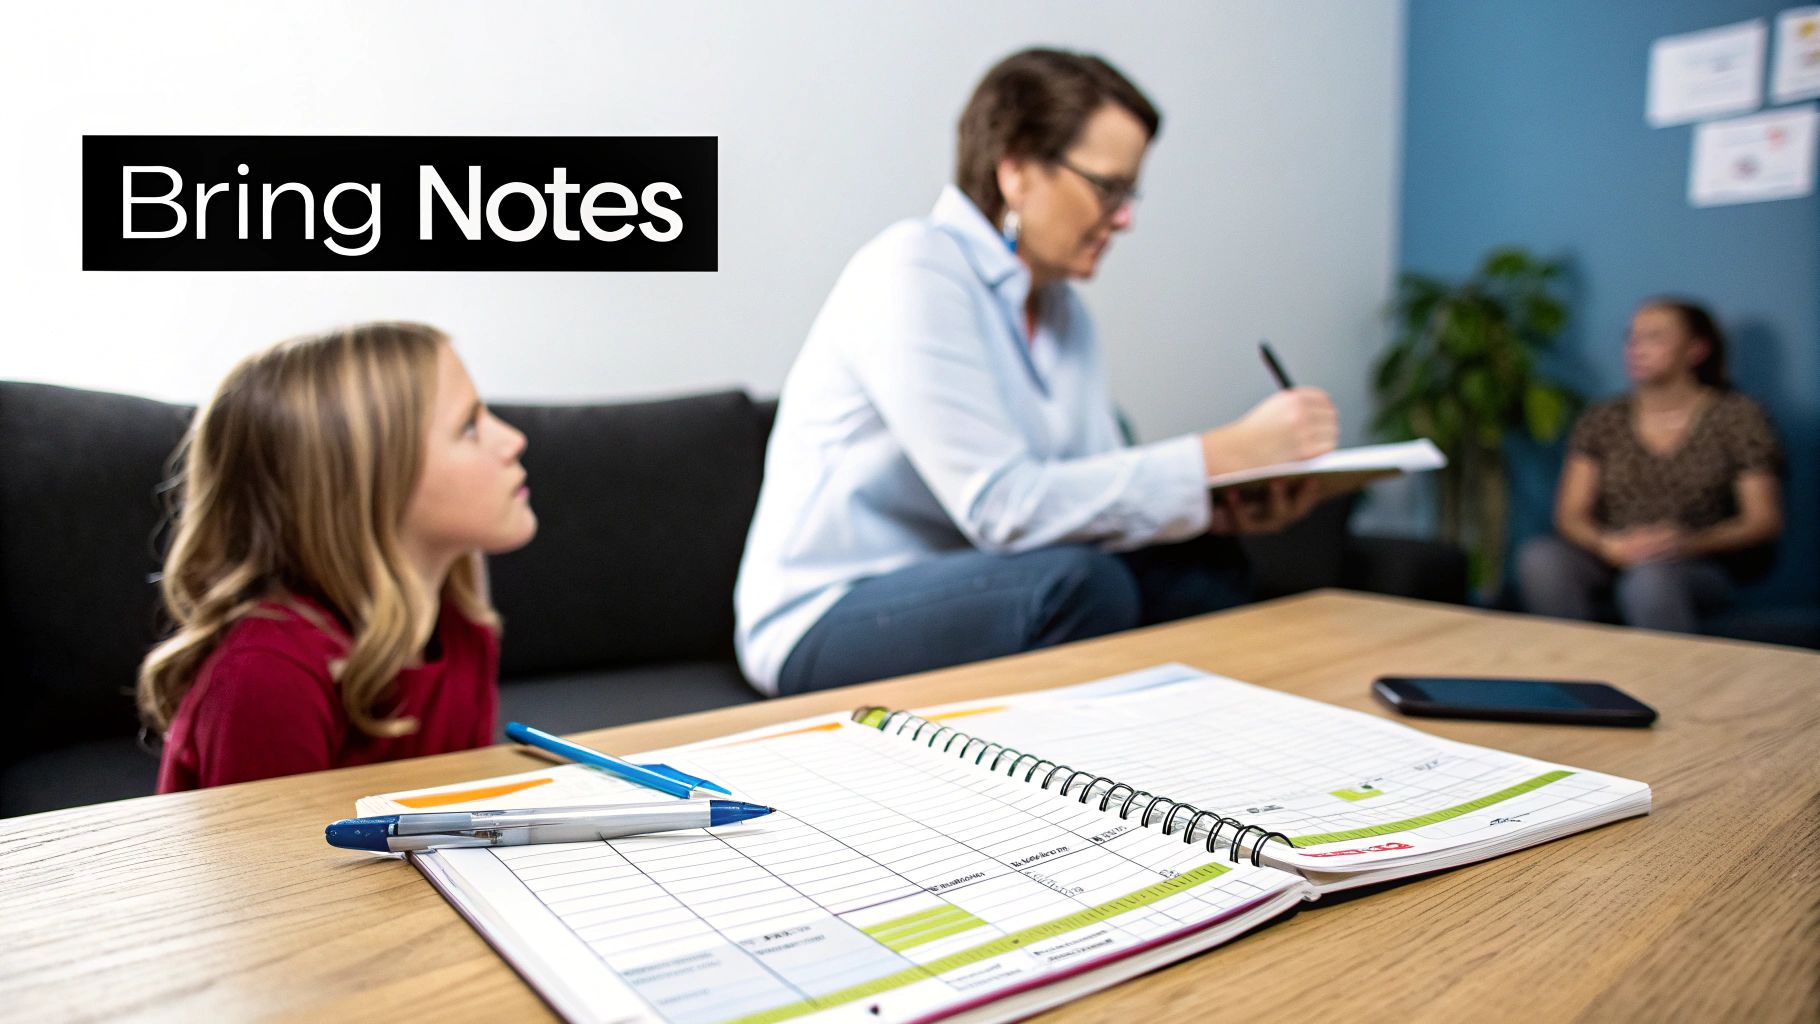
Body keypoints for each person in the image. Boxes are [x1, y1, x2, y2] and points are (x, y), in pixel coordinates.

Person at [735, 49, 1339, 696]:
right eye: (1108, 188)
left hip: (986, 583)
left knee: (1199, 567)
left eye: (1129, 193)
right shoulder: (913, 268)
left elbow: (1089, 501)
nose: (1126, 217)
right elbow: (1004, 510)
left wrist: (1218, 508)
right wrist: (1216, 456)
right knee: (1080, 587)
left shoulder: (1064, 313)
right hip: (827, 613)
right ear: (1017, 171)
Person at [138, 322, 537, 790]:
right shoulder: (267, 675)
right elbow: (267, 863)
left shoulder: (464, 629)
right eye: (469, 426)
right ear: (370, 486)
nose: (514, 440)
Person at [1518, 298, 1782, 633]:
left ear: (1696, 349)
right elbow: (1570, 515)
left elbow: (1763, 520)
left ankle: (1670, 682)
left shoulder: (1739, 417)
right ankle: (1571, 671)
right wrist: (1606, 545)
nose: (1636, 348)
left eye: (1654, 338)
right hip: (1611, 552)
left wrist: (1687, 543)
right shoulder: (1603, 418)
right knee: (1540, 558)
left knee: (1650, 579)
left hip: (1696, 561)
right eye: (1632, 338)